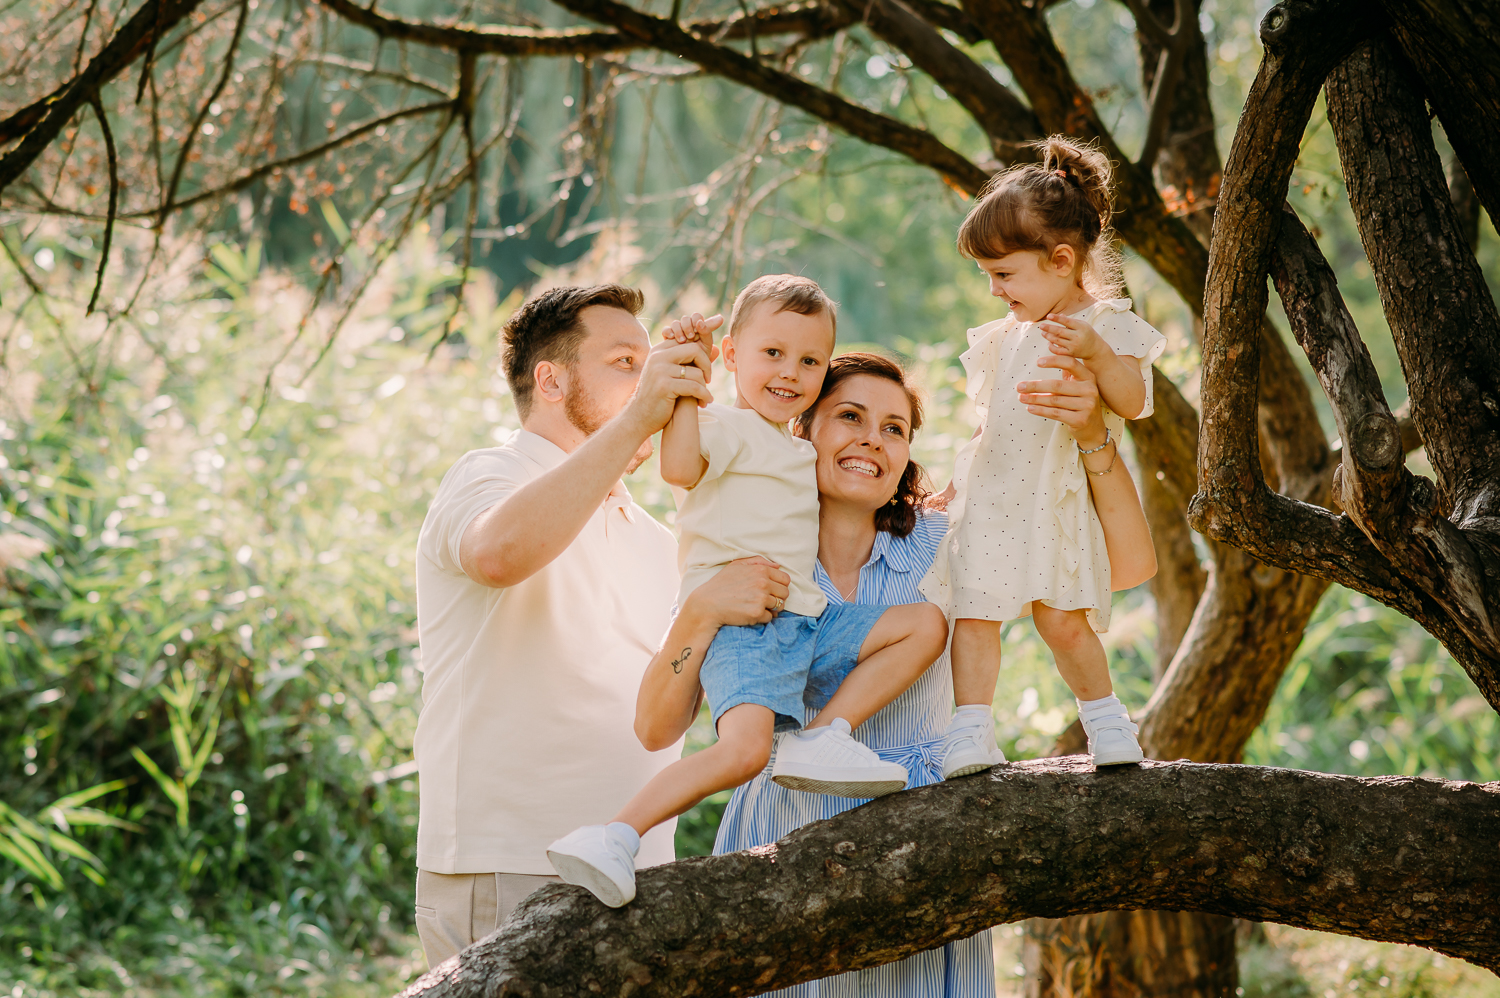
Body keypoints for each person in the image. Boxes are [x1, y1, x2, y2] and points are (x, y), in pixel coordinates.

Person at [634, 350, 1155, 995]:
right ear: (802, 430)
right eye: (849, 417)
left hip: (926, 838)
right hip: (781, 837)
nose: (872, 440)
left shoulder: (947, 544)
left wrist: (1092, 436)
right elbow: (656, 729)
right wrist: (702, 610)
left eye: (894, 429)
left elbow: (1128, 566)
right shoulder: (737, 545)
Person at [410, 283, 787, 966]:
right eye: (624, 364)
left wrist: (702, 612)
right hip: (509, 863)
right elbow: (498, 556)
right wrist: (640, 417)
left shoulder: (658, 540)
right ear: (551, 381)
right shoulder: (489, 475)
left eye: (650, 363)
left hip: (632, 873)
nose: (649, 380)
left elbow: (661, 725)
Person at [546, 276, 948, 908]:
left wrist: (942, 495)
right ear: (732, 355)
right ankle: (616, 834)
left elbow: (893, 491)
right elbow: (680, 468)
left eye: (809, 361)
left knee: (923, 624)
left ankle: (823, 736)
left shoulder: (794, 451)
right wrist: (687, 381)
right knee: (744, 753)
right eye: (773, 354)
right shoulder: (724, 424)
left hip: (805, 620)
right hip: (749, 625)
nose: (790, 372)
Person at [922, 135, 1169, 775]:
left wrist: (1096, 353)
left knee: (1061, 620)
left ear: (1061, 261)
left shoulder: (1106, 324)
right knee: (974, 615)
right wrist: (957, 484)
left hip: (1056, 498)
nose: (995, 291)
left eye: (1004, 275)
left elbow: (1133, 401)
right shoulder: (1009, 335)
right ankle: (971, 731)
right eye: (989, 276)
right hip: (993, 496)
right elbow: (990, 423)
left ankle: (1107, 722)